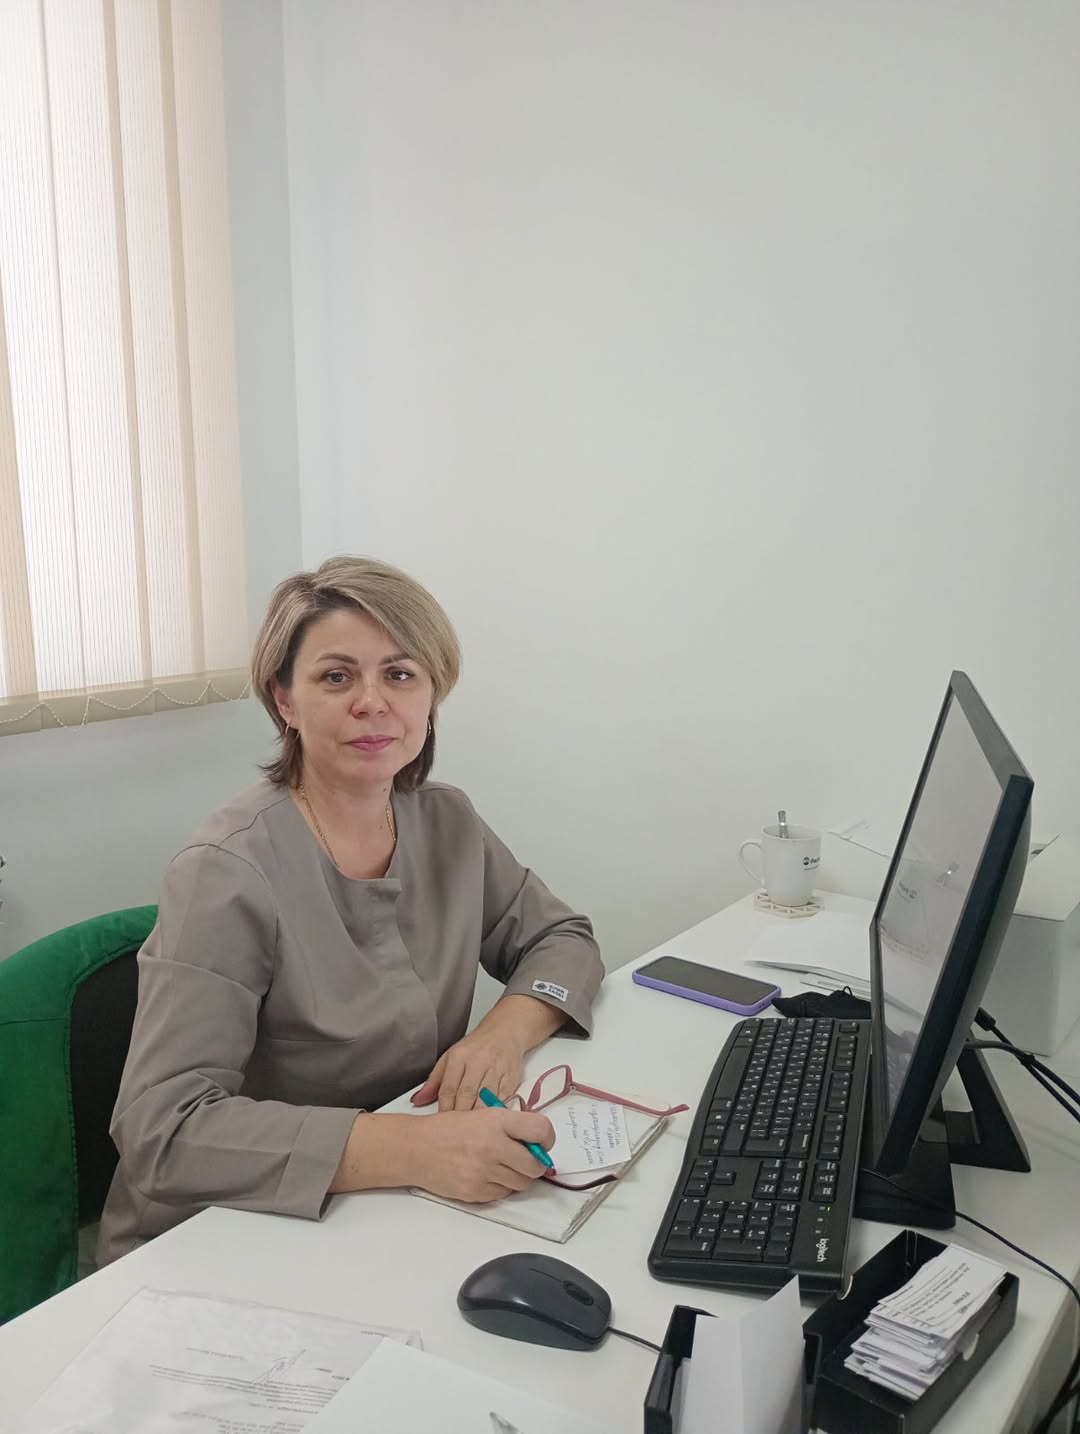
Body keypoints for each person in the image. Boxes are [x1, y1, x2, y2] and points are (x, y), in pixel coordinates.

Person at [96, 556, 604, 1265]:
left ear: (431, 693)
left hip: (390, 1200)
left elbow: (562, 940)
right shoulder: (226, 870)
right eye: (336, 677)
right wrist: (416, 1148)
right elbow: (164, 1132)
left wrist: (501, 1036)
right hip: (226, 1229)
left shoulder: (447, 821)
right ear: (285, 700)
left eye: (400, 674)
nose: (373, 702)